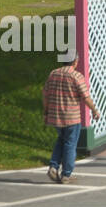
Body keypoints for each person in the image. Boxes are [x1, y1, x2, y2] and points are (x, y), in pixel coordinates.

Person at [43, 57, 100, 185]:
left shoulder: (53, 73)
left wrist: (46, 112)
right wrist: (94, 110)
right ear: (75, 61)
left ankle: (53, 166)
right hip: (72, 117)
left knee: (61, 140)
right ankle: (66, 174)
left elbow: (45, 94)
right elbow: (85, 97)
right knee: (70, 144)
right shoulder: (76, 76)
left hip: (55, 116)